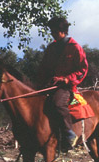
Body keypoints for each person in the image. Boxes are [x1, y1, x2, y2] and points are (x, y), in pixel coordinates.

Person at [37, 16, 88, 152]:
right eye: (51, 31)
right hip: (49, 84)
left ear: (63, 31)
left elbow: (82, 69)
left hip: (65, 86)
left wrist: (66, 79)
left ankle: (69, 134)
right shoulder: (51, 48)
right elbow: (43, 68)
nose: (52, 33)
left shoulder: (75, 48)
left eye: (54, 31)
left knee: (57, 103)